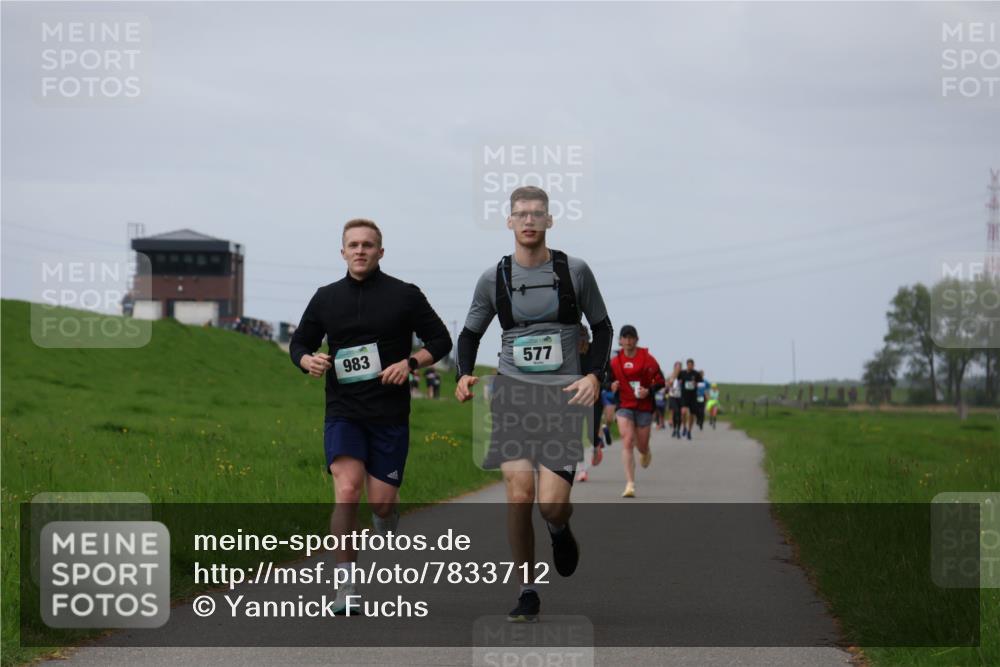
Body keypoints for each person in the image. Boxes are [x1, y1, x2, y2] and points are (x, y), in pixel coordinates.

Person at [455, 186, 613, 623]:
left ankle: (560, 528)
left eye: (537, 214)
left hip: (562, 400)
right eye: (520, 214)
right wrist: (464, 373)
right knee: (518, 493)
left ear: (549, 221)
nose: (528, 221)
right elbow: (469, 334)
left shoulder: (574, 271)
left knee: (550, 504)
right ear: (509, 222)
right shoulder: (493, 278)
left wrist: (593, 376)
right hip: (512, 397)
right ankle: (527, 589)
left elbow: (602, 328)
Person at [289, 218, 452, 614]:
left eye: (368, 245)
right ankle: (345, 590)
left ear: (380, 252)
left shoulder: (405, 295)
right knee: (346, 491)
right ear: (342, 252)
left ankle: (387, 513)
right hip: (344, 412)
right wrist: (307, 360)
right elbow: (299, 343)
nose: (360, 251)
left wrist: (410, 362)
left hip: (389, 414)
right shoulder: (326, 298)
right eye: (353, 245)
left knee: (380, 504)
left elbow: (441, 340)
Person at [609, 325, 665, 498]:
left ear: (636, 339)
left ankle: (646, 452)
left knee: (641, 445)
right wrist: (610, 386)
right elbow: (605, 380)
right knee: (627, 440)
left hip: (644, 407)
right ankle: (630, 484)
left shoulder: (647, 359)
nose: (628, 341)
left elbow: (660, 381)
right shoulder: (614, 362)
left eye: (631, 337)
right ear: (620, 340)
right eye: (624, 337)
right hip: (624, 406)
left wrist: (648, 391)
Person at [575, 324, 606, 482]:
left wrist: (608, 385)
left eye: (582, 340)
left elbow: (605, 372)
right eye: (577, 340)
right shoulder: (571, 353)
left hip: (594, 398)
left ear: (586, 338)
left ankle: (597, 444)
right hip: (576, 399)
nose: (580, 344)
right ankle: (582, 469)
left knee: (590, 434)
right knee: (577, 434)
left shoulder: (596, 351)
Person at [677, 358, 700, 440]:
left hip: (693, 397)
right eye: (688, 365)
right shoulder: (682, 373)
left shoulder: (696, 374)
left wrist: (696, 383)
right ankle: (684, 427)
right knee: (683, 412)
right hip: (684, 396)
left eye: (691, 365)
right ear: (687, 365)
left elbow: (700, 384)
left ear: (693, 365)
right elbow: (677, 379)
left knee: (692, 415)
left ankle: (689, 431)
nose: (690, 366)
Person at [667, 361, 683, 438]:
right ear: (674, 368)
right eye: (676, 367)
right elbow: (669, 385)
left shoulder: (683, 376)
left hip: (680, 397)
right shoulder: (671, 375)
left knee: (679, 414)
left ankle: (678, 430)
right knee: (675, 411)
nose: (678, 369)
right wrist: (673, 378)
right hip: (672, 396)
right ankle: (674, 428)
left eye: (679, 367)